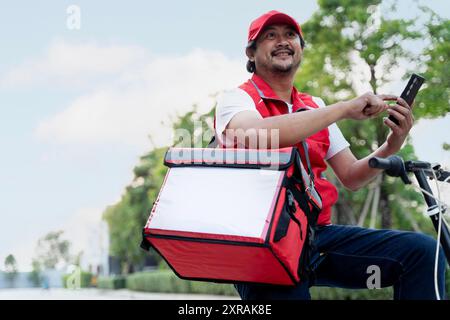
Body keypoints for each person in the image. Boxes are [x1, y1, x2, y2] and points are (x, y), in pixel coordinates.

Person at [214, 10, 446, 300]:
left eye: (290, 35)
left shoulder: (316, 105)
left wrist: (392, 143)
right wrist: (344, 107)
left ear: (300, 47)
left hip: (316, 237)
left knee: (421, 252)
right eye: (270, 36)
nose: (282, 42)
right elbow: (258, 135)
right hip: (263, 243)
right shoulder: (237, 99)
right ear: (251, 52)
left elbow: (351, 176)